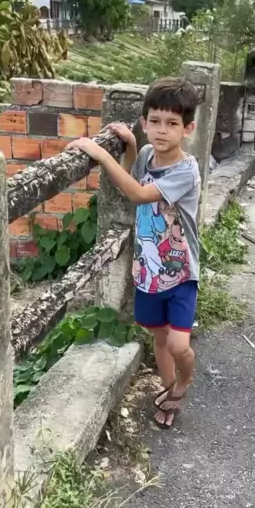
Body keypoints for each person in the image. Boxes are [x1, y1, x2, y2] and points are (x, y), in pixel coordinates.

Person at [67, 77, 201, 429]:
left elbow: (139, 195)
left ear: (188, 129)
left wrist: (100, 154)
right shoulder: (146, 155)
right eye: (154, 121)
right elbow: (135, 178)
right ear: (144, 122)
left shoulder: (186, 171)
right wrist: (130, 147)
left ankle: (184, 381)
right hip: (149, 270)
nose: (162, 130)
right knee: (159, 336)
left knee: (179, 344)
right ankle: (169, 390)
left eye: (172, 123)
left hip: (181, 271)